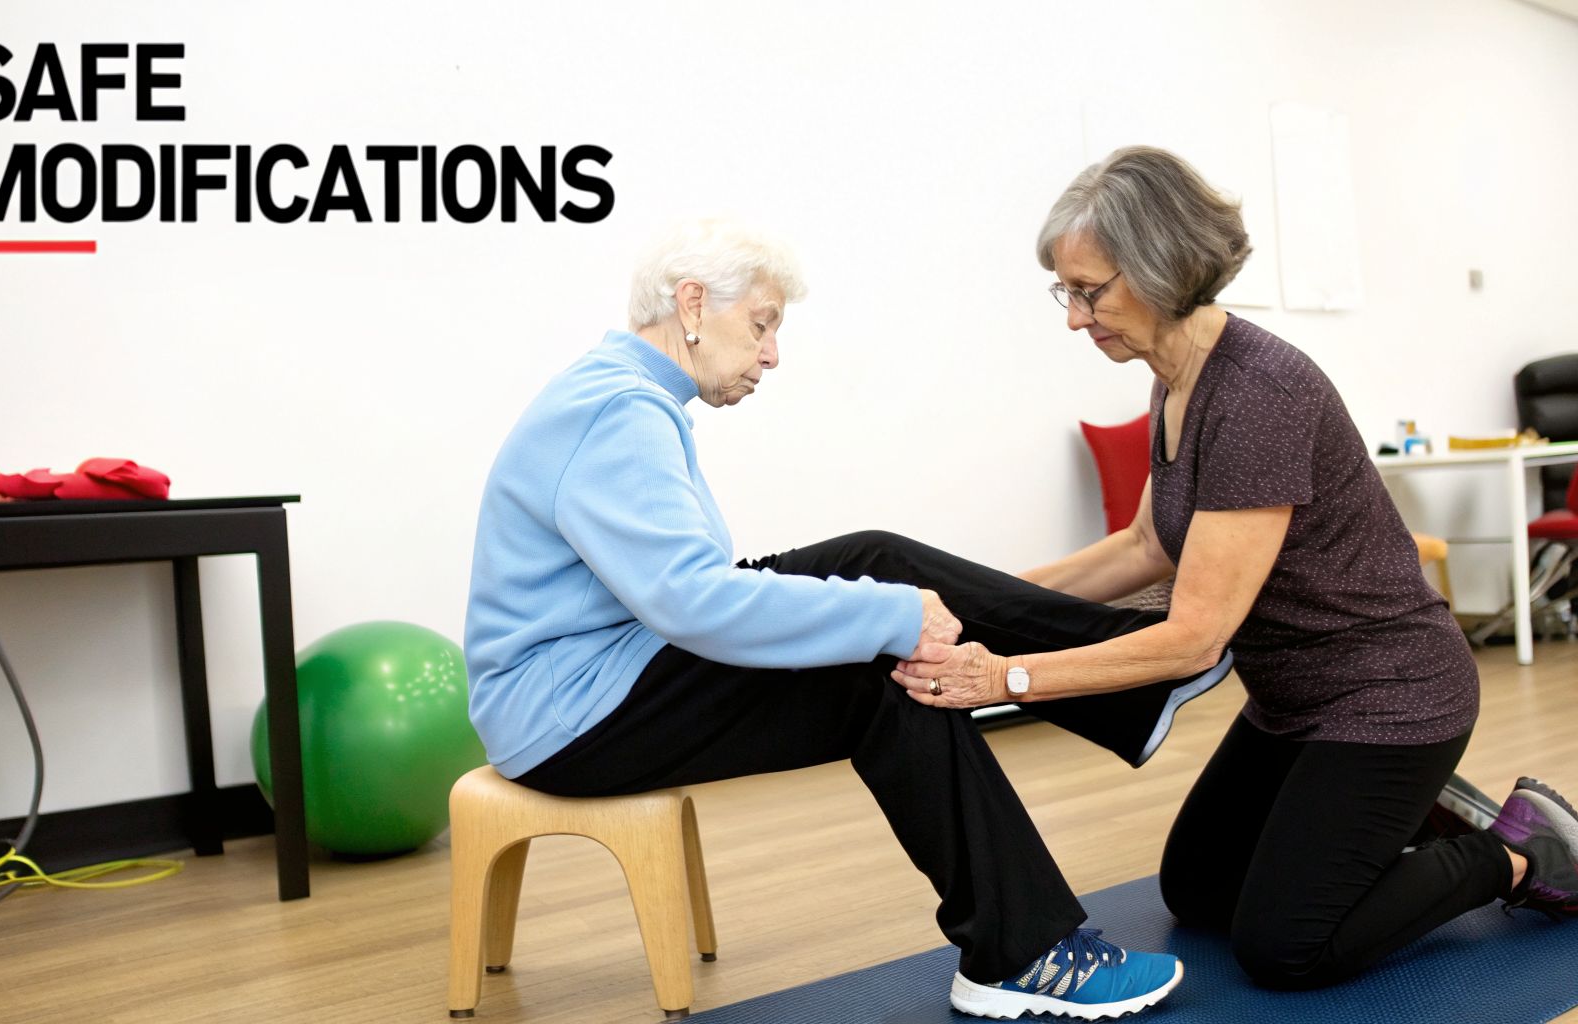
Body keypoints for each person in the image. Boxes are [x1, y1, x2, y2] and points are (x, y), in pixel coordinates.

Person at [464, 219, 1232, 1019]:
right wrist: (894, 619)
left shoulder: (624, 397)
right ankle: (1025, 951)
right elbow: (693, 600)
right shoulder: (617, 413)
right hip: (569, 715)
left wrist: (886, 609)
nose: (771, 354)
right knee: (887, 670)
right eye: (761, 325)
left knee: (874, 559)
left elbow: (684, 594)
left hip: (606, 677)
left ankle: (1127, 687)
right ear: (691, 303)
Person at [891, 147, 1578, 990]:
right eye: (1067, 291)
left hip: (1393, 694)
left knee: (1287, 946)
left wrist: (1002, 677)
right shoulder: (1174, 379)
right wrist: (970, 607)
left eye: (1090, 291)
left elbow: (1195, 638)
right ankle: (1415, 811)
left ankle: (1514, 857)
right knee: (1198, 892)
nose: (1075, 317)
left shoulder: (1258, 393)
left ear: (1161, 270)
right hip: (1292, 704)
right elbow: (1144, 549)